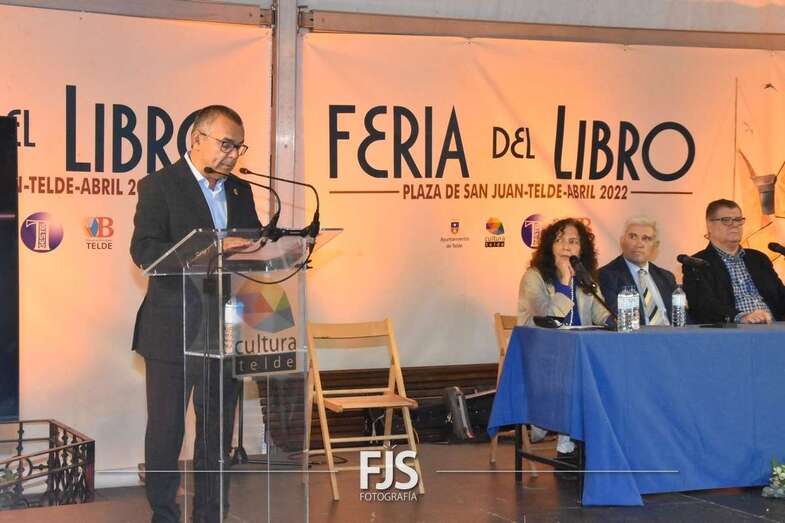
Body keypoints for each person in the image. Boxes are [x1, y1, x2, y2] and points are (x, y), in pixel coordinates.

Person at [130, 105, 261, 523]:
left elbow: (253, 247)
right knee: (167, 431)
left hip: (223, 328)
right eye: (226, 144)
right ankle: (164, 515)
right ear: (196, 139)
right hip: (172, 326)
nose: (232, 155)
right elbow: (145, 250)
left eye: (238, 147)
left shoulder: (240, 191)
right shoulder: (160, 186)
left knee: (216, 433)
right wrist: (207, 249)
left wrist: (267, 249)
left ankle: (210, 514)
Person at [517, 218, 610, 466]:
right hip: (542, 354)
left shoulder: (585, 278)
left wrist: (612, 318)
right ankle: (568, 444)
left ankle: (592, 440)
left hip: (578, 352)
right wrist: (566, 282)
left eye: (573, 241)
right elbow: (547, 318)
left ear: (582, 249)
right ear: (550, 246)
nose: (566, 247)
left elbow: (600, 312)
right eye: (559, 241)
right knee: (578, 369)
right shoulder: (534, 277)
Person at [683, 198, 785, 324]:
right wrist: (741, 317)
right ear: (709, 225)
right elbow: (703, 306)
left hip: (774, 328)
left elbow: (781, 297)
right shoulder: (697, 263)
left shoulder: (758, 259)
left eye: (738, 220)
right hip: (734, 330)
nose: (735, 225)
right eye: (726, 220)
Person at [599, 216, 678, 325]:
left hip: (671, 333)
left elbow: (681, 318)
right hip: (637, 334)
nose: (639, 244)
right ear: (622, 241)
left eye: (646, 238)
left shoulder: (666, 277)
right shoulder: (607, 275)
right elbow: (616, 317)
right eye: (633, 237)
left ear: (655, 246)